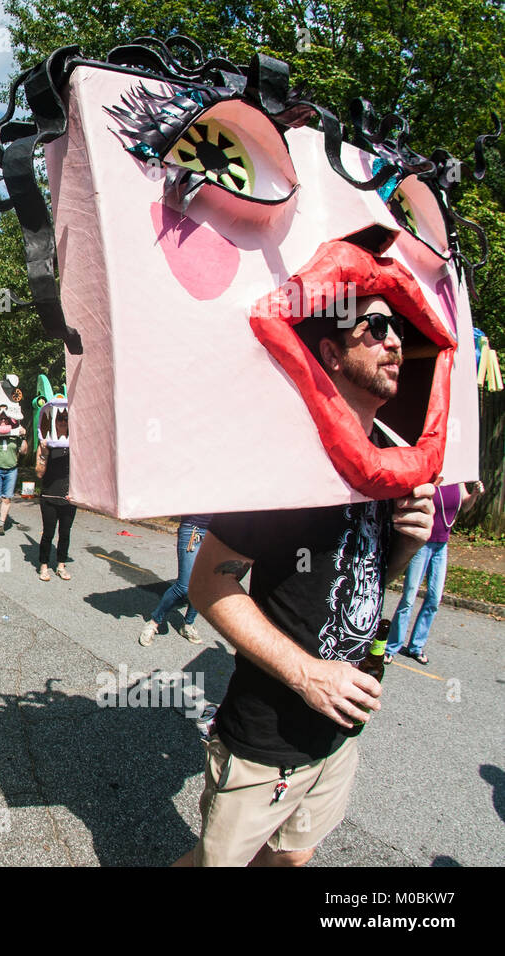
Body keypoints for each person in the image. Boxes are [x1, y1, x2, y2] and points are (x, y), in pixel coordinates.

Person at [178, 299, 433, 867]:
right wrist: (309, 675)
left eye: (400, 330)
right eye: (377, 327)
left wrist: (406, 546)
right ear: (331, 354)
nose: (395, 342)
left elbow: (357, 578)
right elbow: (208, 584)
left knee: (292, 859)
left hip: (340, 729)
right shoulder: (291, 460)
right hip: (268, 733)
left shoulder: (391, 458)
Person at [385, 480, 483, 665]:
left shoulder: (458, 480)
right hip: (422, 545)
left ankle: (416, 646)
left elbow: (466, 506)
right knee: (409, 597)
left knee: (434, 598)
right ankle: (391, 647)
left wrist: (475, 494)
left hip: (441, 546)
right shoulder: (433, 478)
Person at [139, 516, 213, 645]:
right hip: (194, 529)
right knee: (184, 587)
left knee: (202, 585)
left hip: (216, 535)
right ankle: (154, 622)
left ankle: (188, 625)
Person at [34, 440, 77, 582]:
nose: (63, 422)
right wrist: (44, 455)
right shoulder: (46, 445)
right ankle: (44, 566)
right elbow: (39, 474)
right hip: (49, 496)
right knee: (48, 533)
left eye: (66, 419)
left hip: (68, 497)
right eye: (60, 419)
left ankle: (61, 565)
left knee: (65, 533)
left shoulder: (75, 444)